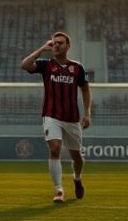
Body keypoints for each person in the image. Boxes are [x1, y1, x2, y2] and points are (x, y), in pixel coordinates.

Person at [21, 32, 92, 204]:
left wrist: (87, 113)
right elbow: (25, 65)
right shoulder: (46, 65)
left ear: (68, 46)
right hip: (51, 115)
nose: (56, 45)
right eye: (54, 43)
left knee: (77, 157)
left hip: (72, 118)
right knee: (55, 149)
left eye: (60, 43)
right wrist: (42, 49)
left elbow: (85, 89)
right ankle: (59, 190)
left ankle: (77, 177)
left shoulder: (77, 68)